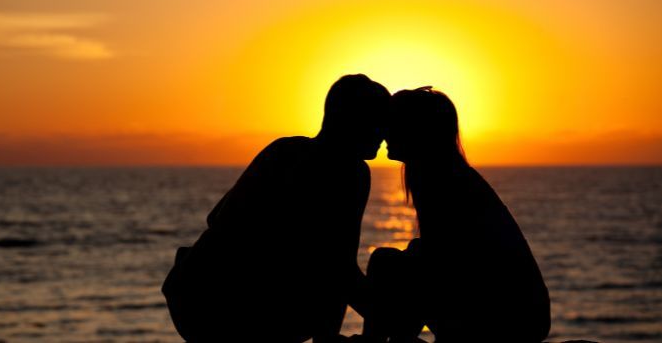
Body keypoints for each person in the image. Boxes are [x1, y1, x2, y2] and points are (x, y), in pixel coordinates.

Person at [162, 74, 390, 342]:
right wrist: (388, 318)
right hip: (238, 313)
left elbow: (216, 216)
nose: (384, 133)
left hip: (188, 297)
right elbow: (339, 269)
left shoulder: (283, 148)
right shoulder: (350, 172)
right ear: (354, 120)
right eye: (379, 122)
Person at [359, 87, 551, 342]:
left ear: (415, 129)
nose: (384, 132)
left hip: (512, 319)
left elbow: (443, 261)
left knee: (387, 262)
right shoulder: (443, 173)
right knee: (408, 257)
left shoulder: (442, 179)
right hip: (521, 316)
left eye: (392, 123)